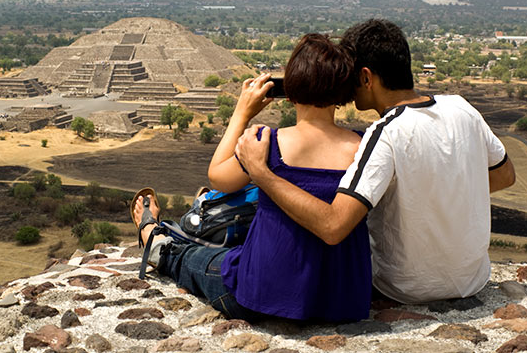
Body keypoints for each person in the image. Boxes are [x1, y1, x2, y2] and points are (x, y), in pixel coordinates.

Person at [235, 19, 516, 304]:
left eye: (349, 77)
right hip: (472, 279)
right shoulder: (462, 107)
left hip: (402, 286)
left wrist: (262, 173)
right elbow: (505, 176)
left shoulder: (385, 133)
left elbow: (333, 227)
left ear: (366, 78)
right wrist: (437, 196)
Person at [132, 34, 371, 321]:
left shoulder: (267, 143)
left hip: (258, 296)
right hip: (340, 302)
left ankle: (153, 238)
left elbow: (219, 175)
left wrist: (241, 113)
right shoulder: (365, 147)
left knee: (193, 259)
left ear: (291, 90)